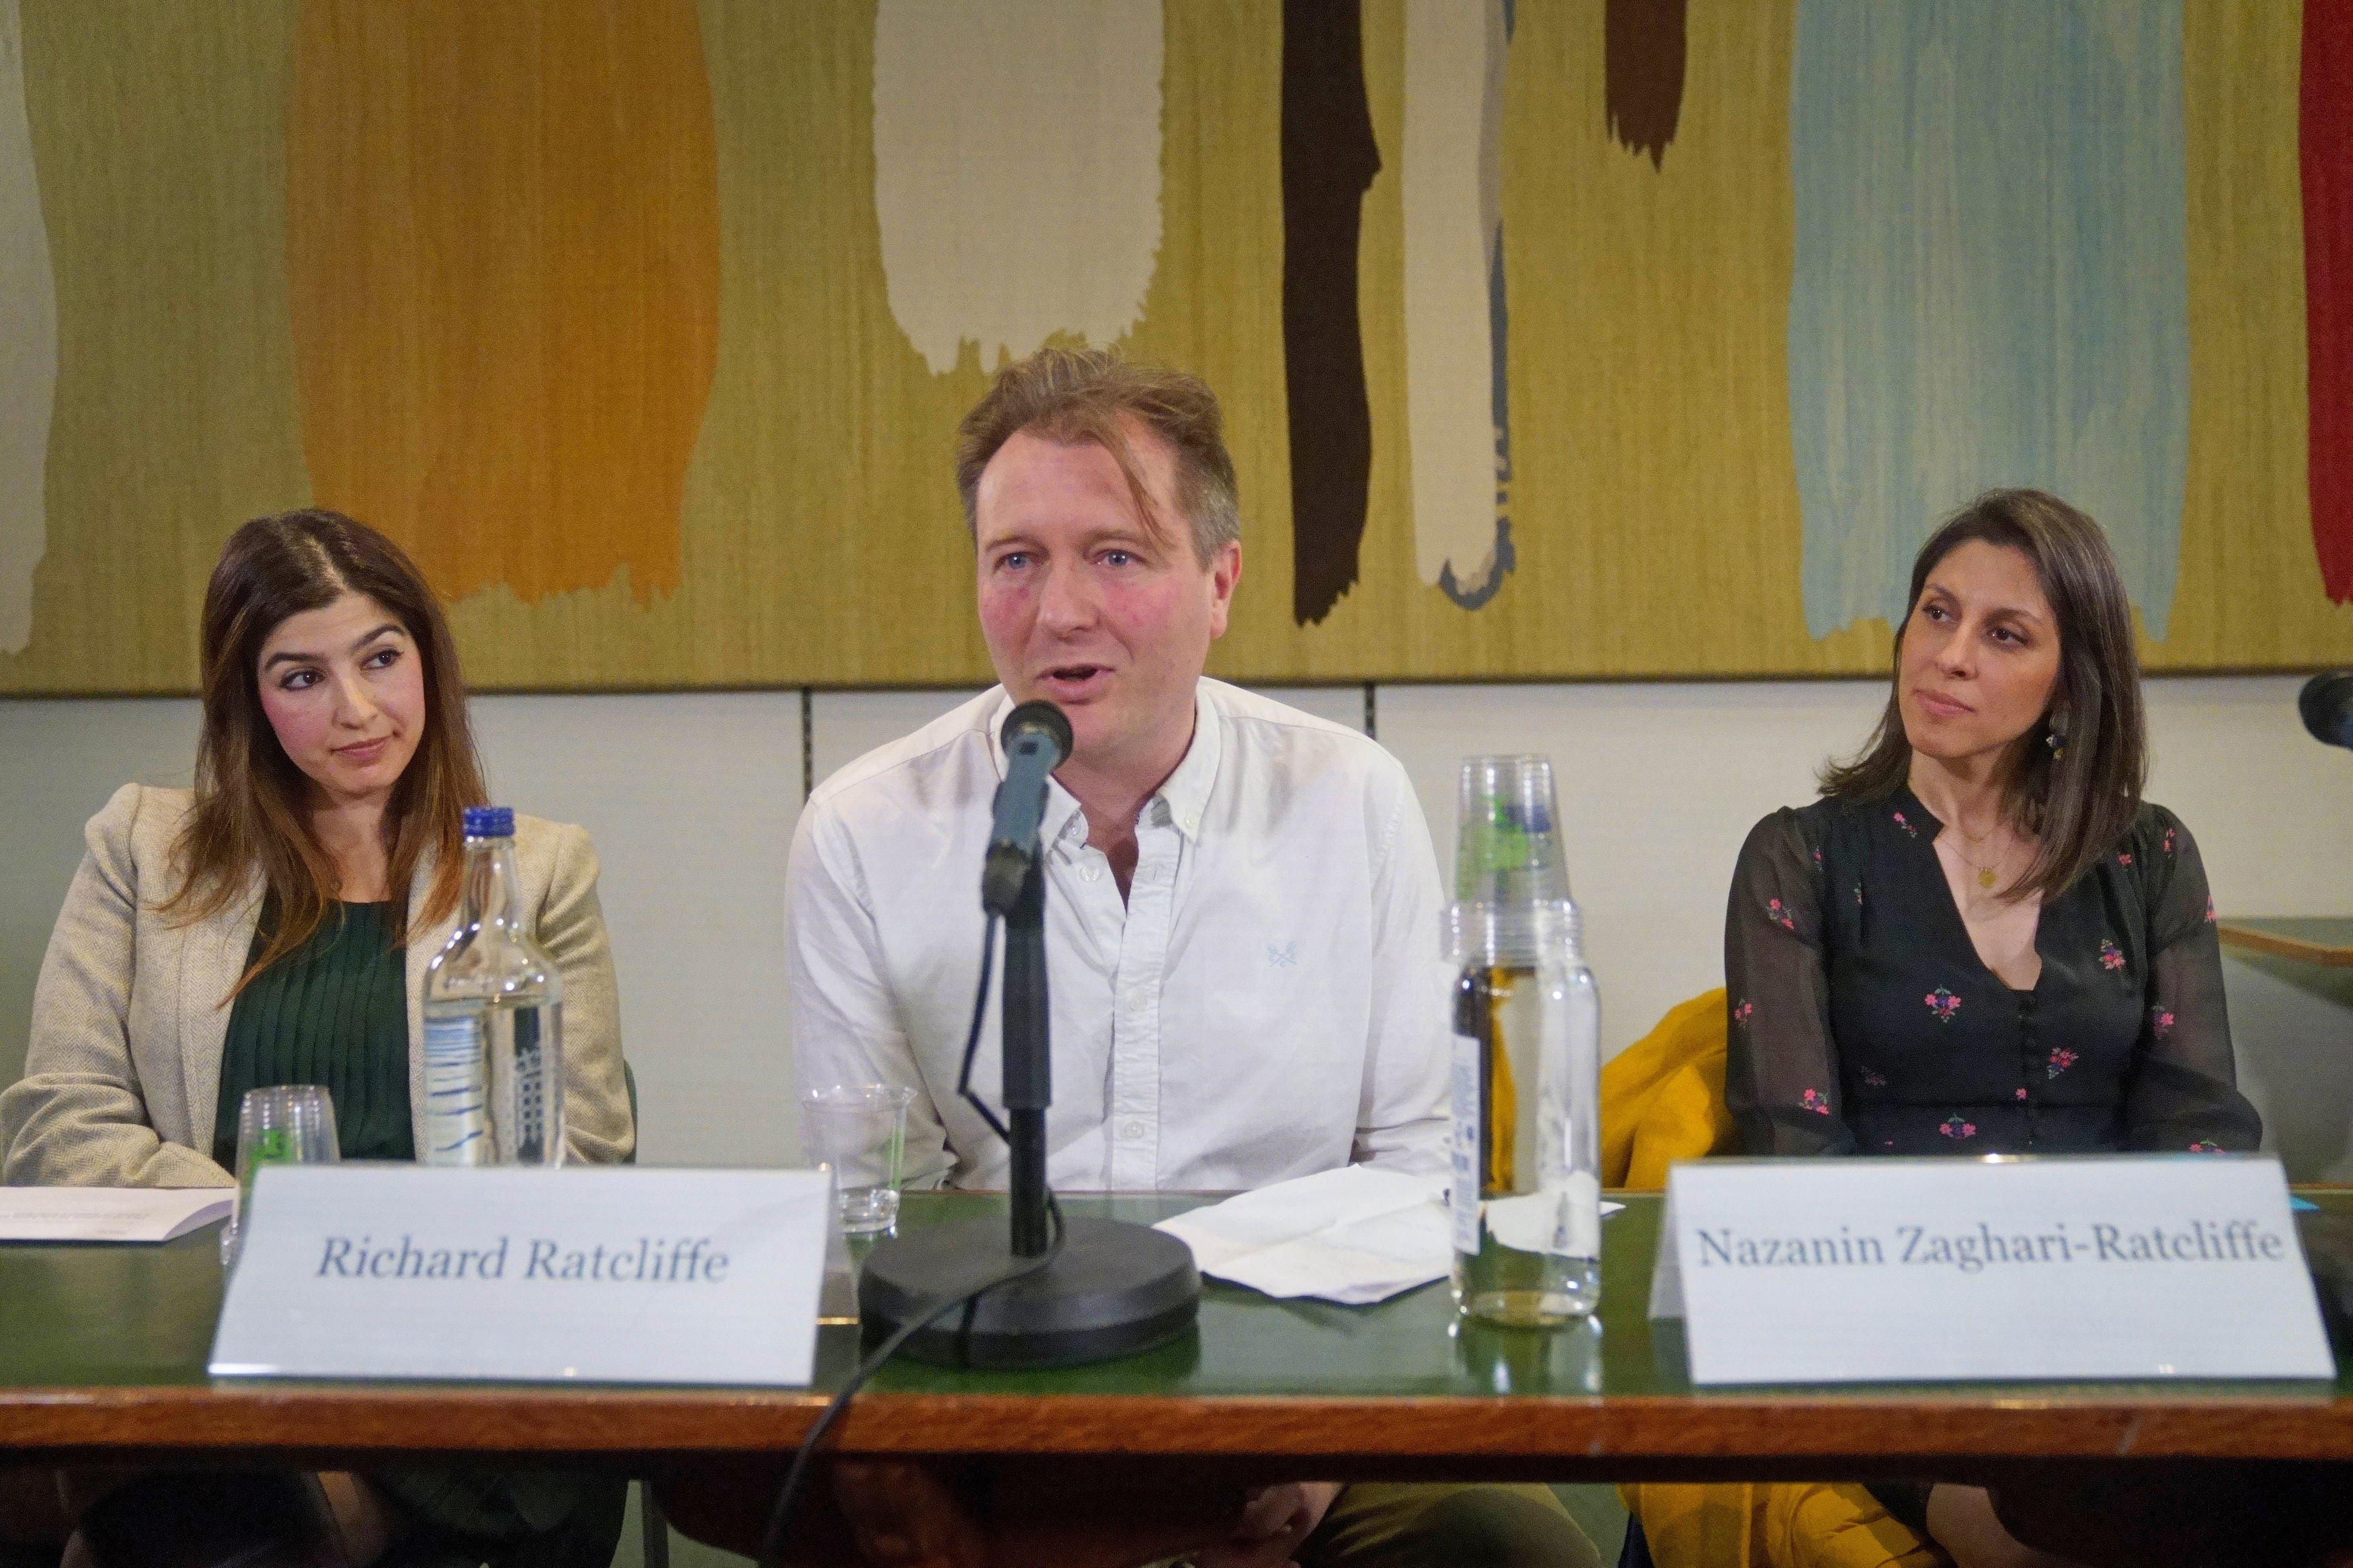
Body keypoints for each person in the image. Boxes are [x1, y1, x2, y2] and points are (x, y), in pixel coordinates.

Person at [786, 349, 1600, 1567]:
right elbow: (866, 1205)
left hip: (1302, 1381)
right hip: (986, 1407)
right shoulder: (864, 829)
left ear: (1219, 582)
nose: (1060, 610)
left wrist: (1321, 1437)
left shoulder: (1347, 798)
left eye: (1115, 555)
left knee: (1513, 1550)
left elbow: (1429, 1160)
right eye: (1017, 559)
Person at [1, 509, 633, 1568]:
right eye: (300, 677)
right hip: (204, 1340)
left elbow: (584, 1156)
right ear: (245, 696)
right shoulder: (141, 849)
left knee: (187, 1516)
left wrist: (362, 1258)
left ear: (426, 657)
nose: (356, 710)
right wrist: (275, 1227)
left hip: (451, 1360)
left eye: (381, 658)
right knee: (168, 1497)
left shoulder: (536, 868)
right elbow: (58, 1124)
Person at [1714, 489, 2295, 1568]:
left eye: (2004, 634)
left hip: (2115, 1335)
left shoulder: (2150, 856)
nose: (1951, 655)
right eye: (1936, 614)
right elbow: (1794, 1160)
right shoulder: (1801, 858)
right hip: (1894, 1346)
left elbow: (2203, 1133)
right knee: (2043, 1541)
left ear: (2072, 682)